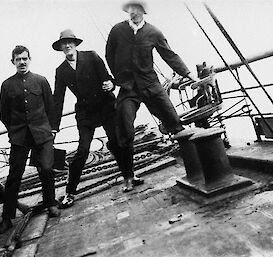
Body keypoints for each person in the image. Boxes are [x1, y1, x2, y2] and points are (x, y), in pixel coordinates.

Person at [105, 1, 199, 191]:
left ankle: (196, 166)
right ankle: (128, 176)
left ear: (142, 11)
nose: (132, 12)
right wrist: (119, 79)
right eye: (129, 8)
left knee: (174, 120)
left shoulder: (153, 32)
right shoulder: (117, 30)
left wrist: (189, 75)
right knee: (125, 129)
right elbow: (109, 56)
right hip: (128, 89)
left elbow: (170, 56)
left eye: (136, 9)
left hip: (150, 84)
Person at [52, 29, 136, 206]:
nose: (67, 46)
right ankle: (70, 192)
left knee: (117, 141)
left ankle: (129, 176)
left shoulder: (92, 56)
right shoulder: (61, 71)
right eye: (63, 44)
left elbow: (108, 79)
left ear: (75, 44)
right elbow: (58, 99)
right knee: (82, 150)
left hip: (106, 106)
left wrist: (111, 85)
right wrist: (54, 127)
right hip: (85, 113)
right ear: (60, 48)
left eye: (70, 42)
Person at [0, 45, 60, 233]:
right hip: (19, 137)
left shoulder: (40, 81)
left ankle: (51, 204)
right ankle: (7, 217)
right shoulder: (7, 85)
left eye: (25, 58)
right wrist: (14, 130)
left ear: (29, 59)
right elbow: (4, 113)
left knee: (47, 169)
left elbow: (51, 107)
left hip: (42, 134)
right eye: (18, 59)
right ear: (13, 62)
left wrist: (52, 129)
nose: (22, 62)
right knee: (14, 176)